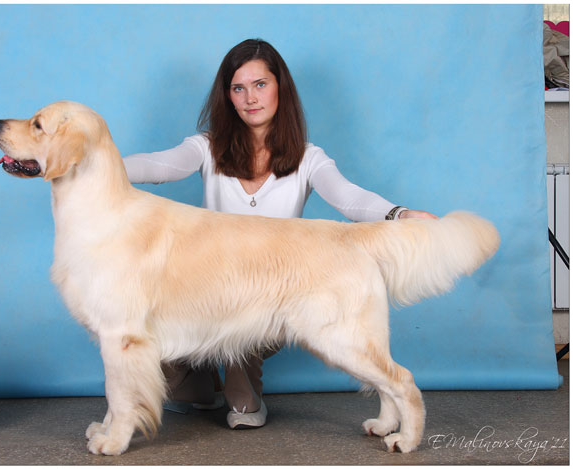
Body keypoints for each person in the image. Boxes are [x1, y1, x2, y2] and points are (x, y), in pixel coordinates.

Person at [122, 38, 437, 430]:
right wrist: (99, 163)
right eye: (238, 88)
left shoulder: (308, 158)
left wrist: (399, 214)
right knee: (152, 334)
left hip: (274, 299)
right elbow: (158, 166)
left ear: (280, 88)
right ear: (227, 97)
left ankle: (240, 386)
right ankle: (198, 387)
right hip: (205, 296)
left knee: (242, 405)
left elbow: (349, 198)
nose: (250, 98)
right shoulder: (205, 148)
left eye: (260, 84)